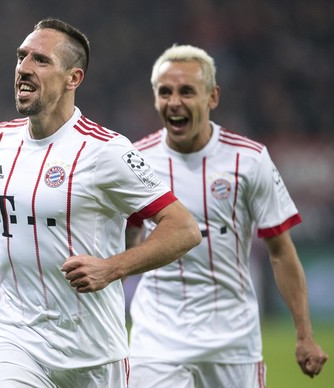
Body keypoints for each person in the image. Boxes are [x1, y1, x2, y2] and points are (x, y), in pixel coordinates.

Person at [0, 19, 202, 388]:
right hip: (16, 339)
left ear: (73, 78)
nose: (24, 68)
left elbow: (184, 228)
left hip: (94, 354)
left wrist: (112, 268)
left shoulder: (105, 151)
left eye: (41, 60)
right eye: (21, 57)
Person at [127, 44, 328, 387]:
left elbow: (281, 252)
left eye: (187, 91)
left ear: (213, 97)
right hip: (155, 340)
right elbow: (125, 241)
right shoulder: (134, 160)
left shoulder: (249, 160)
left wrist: (304, 334)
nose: (175, 101)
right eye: (165, 92)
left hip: (232, 342)